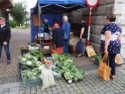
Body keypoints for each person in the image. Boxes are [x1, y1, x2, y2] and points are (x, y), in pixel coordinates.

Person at [100, 14, 122, 80]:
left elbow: (108, 37)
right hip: (116, 45)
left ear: (108, 19)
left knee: (105, 59)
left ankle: (105, 74)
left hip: (109, 45)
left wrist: (105, 48)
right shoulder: (118, 26)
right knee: (112, 59)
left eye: (106, 19)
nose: (106, 20)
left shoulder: (108, 26)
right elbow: (119, 36)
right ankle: (113, 75)